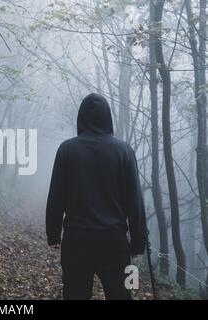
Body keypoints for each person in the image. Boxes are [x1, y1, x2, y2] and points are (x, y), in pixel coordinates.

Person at [46, 93, 147, 300]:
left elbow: (56, 196)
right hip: (114, 243)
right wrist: (138, 240)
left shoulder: (67, 150)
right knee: (121, 295)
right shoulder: (124, 151)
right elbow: (134, 200)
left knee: (75, 296)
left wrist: (53, 234)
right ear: (107, 117)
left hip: (76, 242)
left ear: (81, 117)